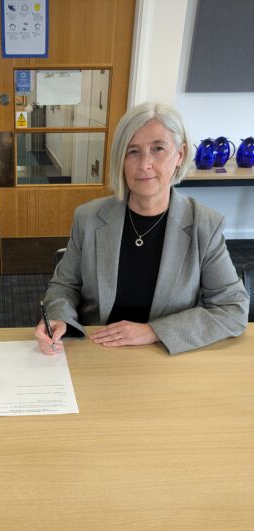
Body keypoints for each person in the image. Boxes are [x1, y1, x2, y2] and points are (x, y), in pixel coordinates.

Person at [35, 102, 249, 355]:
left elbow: (232, 308)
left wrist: (154, 331)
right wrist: (60, 317)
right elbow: (64, 286)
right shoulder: (89, 218)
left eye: (158, 149)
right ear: (121, 159)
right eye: (133, 151)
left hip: (164, 353)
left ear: (179, 155)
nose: (144, 164)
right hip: (97, 349)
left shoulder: (205, 224)